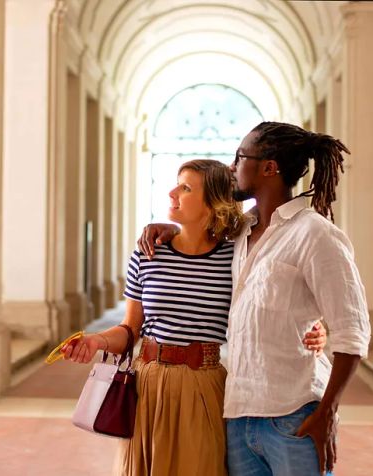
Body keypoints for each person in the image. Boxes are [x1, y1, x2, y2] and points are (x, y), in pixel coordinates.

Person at [62, 159, 327, 476]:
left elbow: (269, 305)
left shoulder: (236, 257)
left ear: (213, 203)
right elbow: (130, 329)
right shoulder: (148, 253)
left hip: (205, 386)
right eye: (177, 183)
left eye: (186, 188)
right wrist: (95, 341)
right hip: (148, 386)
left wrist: (314, 326)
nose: (173, 192)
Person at [140, 122, 371, 476]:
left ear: (269, 168)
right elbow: (199, 235)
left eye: (239, 157)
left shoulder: (316, 235)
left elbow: (353, 333)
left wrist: (327, 413)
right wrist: (168, 229)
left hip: (293, 415)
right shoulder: (239, 232)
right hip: (237, 415)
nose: (232, 167)